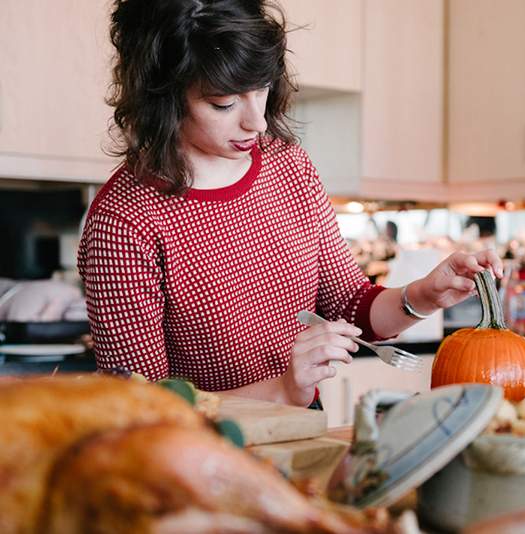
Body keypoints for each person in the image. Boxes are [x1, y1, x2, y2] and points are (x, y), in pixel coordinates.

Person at [78, 0, 502, 407]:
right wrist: (281, 390)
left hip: (300, 433)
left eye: (261, 89)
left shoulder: (289, 167)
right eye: (223, 103)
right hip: (197, 463)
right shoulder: (124, 221)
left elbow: (348, 303)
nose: (256, 121)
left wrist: (423, 296)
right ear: (163, 99)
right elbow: (145, 411)